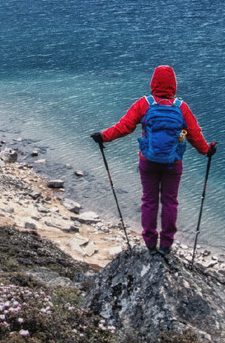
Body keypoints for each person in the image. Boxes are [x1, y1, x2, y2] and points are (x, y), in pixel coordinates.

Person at [91, 65, 216, 256]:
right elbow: (194, 134)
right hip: (173, 163)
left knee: (149, 201)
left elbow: (125, 126)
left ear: (153, 82)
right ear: (174, 84)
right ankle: (166, 245)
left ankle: (150, 243)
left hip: (147, 161)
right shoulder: (181, 107)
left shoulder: (144, 103)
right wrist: (207, 150)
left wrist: (104, 136)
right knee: (170, 202)